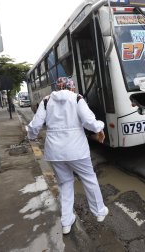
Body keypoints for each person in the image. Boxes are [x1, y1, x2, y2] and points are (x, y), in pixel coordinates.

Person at [27, 77, 108, 235]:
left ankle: (66, 222)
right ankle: (99, 212)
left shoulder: (46, 101)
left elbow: (35, 125)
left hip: (55, 152)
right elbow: (89, 122)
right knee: (89, 179)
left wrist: (31, 136)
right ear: (72, 88)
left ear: (57, 88)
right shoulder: (77, 98)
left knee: (65, 184)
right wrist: (100, 127)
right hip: (77, 150)